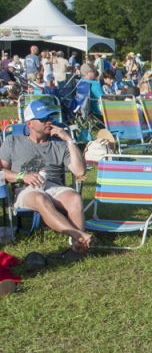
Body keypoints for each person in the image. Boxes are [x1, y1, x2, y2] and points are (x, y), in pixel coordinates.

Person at [0, 101, 92, 253]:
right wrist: (22, 176)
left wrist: (68, 140)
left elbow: (80, 172)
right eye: (43, 119)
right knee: (40, 198)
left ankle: (78, 247)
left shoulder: (59, 145)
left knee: (74, 197)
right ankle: (78, 235)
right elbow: (2, 172)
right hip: (27, 190)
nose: (49, 122)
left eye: (50, 117)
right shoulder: (13, 142)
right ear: (30, 123)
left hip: (54, 188)